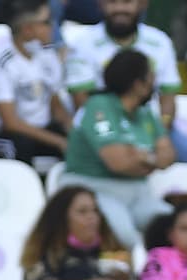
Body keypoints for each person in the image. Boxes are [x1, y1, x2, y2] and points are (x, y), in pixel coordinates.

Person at [65, 0, 187, 171]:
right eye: (112, 2)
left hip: (150, 124)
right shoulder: (83, 42)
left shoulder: (159, 41)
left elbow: (168, 97)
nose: (120, 8)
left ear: (143, 4)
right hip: (103, 123)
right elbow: (82, 100)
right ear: (100, 4)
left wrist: (160, 132)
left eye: (127, 2)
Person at [59, 48, 174, 249]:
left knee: (172, 226)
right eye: (151, 78)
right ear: (138, 84)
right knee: (123, 236)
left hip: (139, 192)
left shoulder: (145, 112)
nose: (154, 85)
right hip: (94, 190)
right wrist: (149, 157)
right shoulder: (98, 105)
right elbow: (117, 163)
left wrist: (139, 156)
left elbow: (169, 156)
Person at [0, 0, 73, 165]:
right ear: (28, 29)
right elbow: (10, 122)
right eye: (46, 22)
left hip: (42, 130)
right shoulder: (2, 62)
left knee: (78, 146)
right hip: (2, 135)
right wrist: (58, 141)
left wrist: (74, 133)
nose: (52, 27)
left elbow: (56, 106)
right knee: (21, 146)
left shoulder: (47, 55)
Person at [21, 185, 133, 280]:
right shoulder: (45, 255)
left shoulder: (112, 251)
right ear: (61, 219)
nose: (92, 217)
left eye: (95, 211)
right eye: (82, 211)